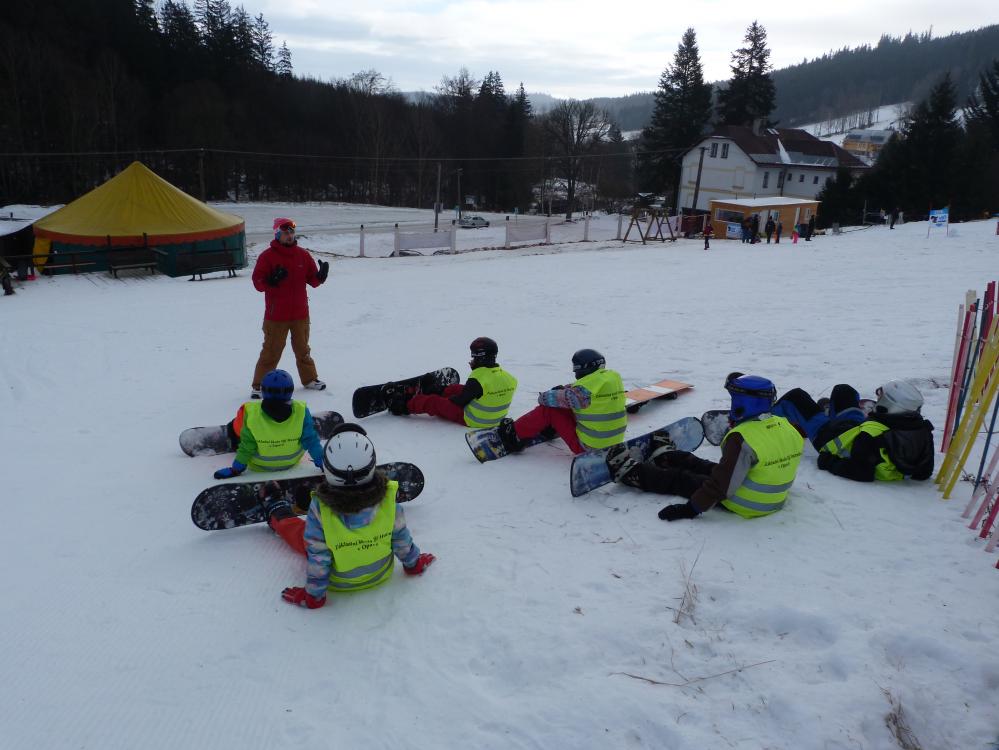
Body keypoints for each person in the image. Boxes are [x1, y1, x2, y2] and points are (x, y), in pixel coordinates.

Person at [266, 423, 435, 610]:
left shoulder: (320, 508)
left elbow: (319, 556)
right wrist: (414, 564)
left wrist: (314, 596)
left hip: (338, 582)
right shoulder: (388, 499)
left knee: (301, 534)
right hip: (380, 574)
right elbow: (401, 539)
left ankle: (277, 510)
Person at [610, 374, 804, 522]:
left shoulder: (742, 437)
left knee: (681, 479)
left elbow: (722, 485)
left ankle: (632, 474)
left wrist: (691, 509)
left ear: (743, 403)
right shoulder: (785, 425)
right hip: (772, 499)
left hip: (747, 503)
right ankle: (668, 457)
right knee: (709, 467)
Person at [250, 217, 330, 399]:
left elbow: (313, 280)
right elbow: (258, 283)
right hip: (276, 316)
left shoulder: (302, 255)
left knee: (303, 350)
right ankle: (259, 385)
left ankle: (310, 379)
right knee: (271, 351)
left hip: (300, 314)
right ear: (277, 234)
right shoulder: (267, 257)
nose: (289, 235)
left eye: (291, 232)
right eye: (285, 232)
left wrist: (320, 276)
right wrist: (270, 281)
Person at [496, 348, 625, 456]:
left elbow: (545, 399)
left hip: (589, 448)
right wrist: (564, 390)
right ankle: (549, 428)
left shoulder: (579, 394)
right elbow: (583, 392)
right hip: (614, 443)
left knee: (549, 409)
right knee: (568, 405)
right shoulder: (612, 378)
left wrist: (551, 394)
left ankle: (514, 435)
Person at [214, 369, 325, 479]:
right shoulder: (302, 410)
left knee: (236, 425)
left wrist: (236, 469)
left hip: (259, 465)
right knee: (307, 433)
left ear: (263, 390)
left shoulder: (250, 412)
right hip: (291, 462)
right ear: (291, 390)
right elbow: (311, 441)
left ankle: (231, 434)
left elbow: (247, 446)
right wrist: (323, 463)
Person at [815, 381, 934, 482]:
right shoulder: (924, 429)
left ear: (888, 404)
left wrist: (828, 461)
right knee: (844, 391)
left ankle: (826, 413)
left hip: (830, 437)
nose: (878, 400)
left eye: (881, 398)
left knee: (839, 390)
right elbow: (924, 473)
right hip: (880, 426)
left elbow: (861, 473)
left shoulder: (870, 435)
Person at [387, 337, 518, 428]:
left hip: (474, 420)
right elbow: (478, 391)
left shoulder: (478, 377)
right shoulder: (509, 378)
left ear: (480, 358)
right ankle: (438, 390)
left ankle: (403, 405)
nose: (472, 360)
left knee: (434, 402)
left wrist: (442, 400)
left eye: (473, 357)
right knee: (457, 388)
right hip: (495, 419)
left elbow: (460, 401)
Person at [772, 383, 868, 450]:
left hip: (828, 436)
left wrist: (828, 460)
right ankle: (829, 414)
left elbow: (854, 468)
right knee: (843, 389)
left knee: (796, 396)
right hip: (856, 427)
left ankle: (768, 420)